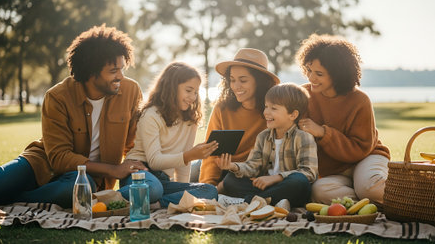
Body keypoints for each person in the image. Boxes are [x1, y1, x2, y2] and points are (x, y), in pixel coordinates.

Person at [0, 25, 144, 208]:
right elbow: (59, 157)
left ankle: (16, 199)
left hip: (84, 178)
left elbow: (133, 145)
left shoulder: (131, 91)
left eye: (122, 69)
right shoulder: (57, 97)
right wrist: (114, 170)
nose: (120, 76)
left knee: (80, 189)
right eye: (113, 71)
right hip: (39, 164)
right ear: (91, 72)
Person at [295, 34, 390, 205]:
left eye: (319, 74)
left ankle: (376, 196)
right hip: (334, 171)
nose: (311, 78)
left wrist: (323, 133)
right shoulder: (303, 95)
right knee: (318, 190)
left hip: (366, 157)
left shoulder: (360, 100)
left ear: (337, 75)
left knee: (370, 187)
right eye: (309, 70)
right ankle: (367, 202)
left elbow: (360, 149)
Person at [122, 62, 218, 208]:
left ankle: (157, 204)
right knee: (153, 189)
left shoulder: (190, 120)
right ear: (172, 88)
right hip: (139, 173)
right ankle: (112, 197)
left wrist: (183, 188)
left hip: (163, 179)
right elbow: (154, 161)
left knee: (209, 190)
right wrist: (188, 156)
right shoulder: (151, 115)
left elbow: (183, 166)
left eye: (196, 92)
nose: (192, 97)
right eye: (188, 90)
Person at [215, 83, 318, 207]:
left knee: (299, 181)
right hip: (266, 188)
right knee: (230, 179)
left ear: (293, 115)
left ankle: (246, 202)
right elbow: (253, 166)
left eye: (273, 108)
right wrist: (233, 166)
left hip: (288, 187)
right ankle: (272, 202)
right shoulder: (263, 136)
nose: (266, 112)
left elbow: (309, 172)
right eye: (266, 106)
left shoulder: (303, 137)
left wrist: (277, 177)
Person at [198, 48, 280, 193]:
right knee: (194, 173)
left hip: (254, 174)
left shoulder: (274, 110)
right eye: (232, 80)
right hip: (223, 169)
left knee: (233, 182)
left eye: (243, 80)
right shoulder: (222, 109)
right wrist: (208, 187)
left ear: (259, 82)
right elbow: (212, 153)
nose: (236, 86)